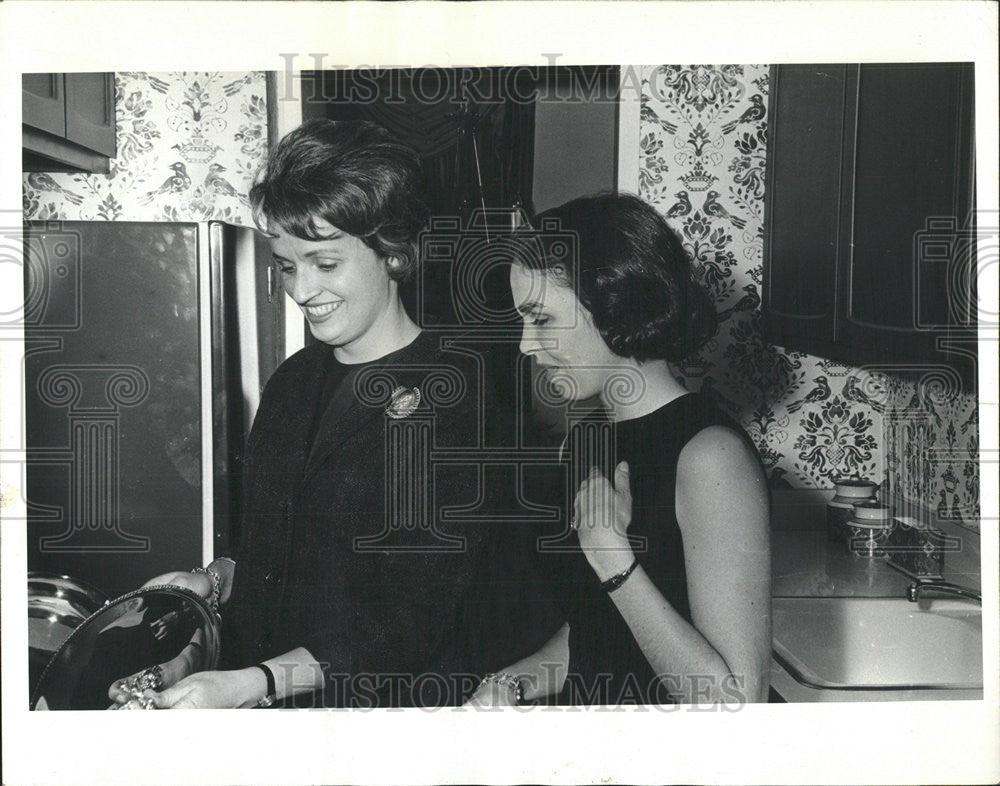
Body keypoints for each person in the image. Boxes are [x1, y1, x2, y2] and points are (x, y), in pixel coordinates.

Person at [110, 119, 554, 708]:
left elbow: (410, 622)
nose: (301, 289)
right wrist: (211, 586)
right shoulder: (295, 379)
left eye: (324, 263)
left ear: (392, 253)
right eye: (287, 265)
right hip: (276, 705)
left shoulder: (457, 398)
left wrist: (252, 683)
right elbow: (277, 553)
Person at [467, 193, 771, 706]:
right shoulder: (583, 441)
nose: (524, 345)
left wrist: (613, 560)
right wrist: (511, 685)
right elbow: (597, 629)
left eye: (540, 319)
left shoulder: (709, 457)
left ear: (613, 305)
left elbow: (733, 705)